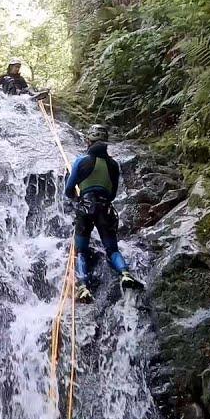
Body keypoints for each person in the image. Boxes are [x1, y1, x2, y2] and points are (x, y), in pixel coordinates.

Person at [64, 125, 143, 301]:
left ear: (89, 141)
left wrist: (79, 198)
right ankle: (125, 274)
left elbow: (69, 190)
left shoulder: (81, 161)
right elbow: (113, 193)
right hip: (106, 208)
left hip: (85, 207)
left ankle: (83, 286)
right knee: (112, 249)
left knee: (81, 251)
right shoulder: (113, 165)